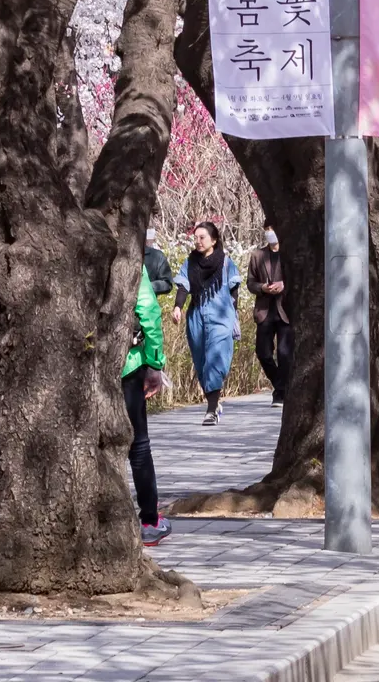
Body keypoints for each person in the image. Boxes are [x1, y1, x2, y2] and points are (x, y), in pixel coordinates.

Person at [172, 220, 241, 425]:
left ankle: (210, 410)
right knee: (201, 361)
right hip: (197, 316)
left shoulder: (226, 262)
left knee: (216, 358)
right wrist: (178, 307)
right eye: (196, 238)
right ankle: (214, 401)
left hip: (221, 315)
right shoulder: (190, 262)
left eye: (202, 237)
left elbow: (234, 289)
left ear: (214, 239)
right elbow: (183, 286)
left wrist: (233, 312)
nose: (198, 241)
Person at [124, 272, 171, 545]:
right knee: (138, 445)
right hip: (127, 364)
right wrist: (154, 362)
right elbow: (148, 311)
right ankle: (150, 520)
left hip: (82, 366)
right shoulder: (127, 254)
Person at [246, 226, 291, 404]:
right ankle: (282, 386)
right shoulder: (257, 255)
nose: (270, 232)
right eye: (267, 230)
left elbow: (298, 278)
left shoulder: (289, 254)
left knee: (284, 353)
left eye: (273, 229)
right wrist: (262, 288)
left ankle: (280, 393)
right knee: (263, 352)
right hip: (264, 311)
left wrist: (283, 285)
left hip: (285, 311)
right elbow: (250, 282)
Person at [142, 227, 173, 298]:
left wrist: (147, 287)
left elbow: (167, 283)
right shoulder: (118, 254)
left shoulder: (156, 256)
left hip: (146, 306)